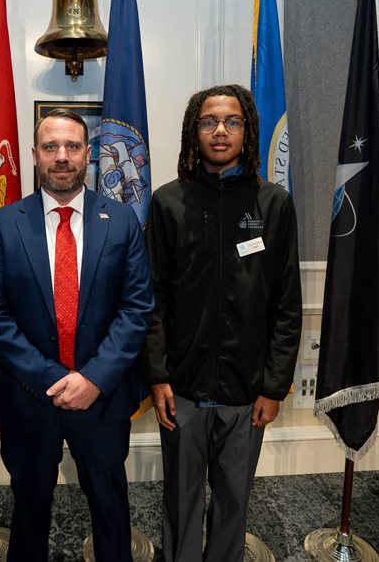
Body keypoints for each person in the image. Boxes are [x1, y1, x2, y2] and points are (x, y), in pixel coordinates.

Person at [0, 108, 154, 561]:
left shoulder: (122, 220)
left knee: (110, 507)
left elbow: (137, 309)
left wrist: (93, 379)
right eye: (50, 147)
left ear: (88, 155)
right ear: (34, 155)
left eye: (72, 146)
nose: (61, 156)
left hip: (103, 396)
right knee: (30, 508)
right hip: (30, 396)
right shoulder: (4, 223)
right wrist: (52, 377)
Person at [141, 85, 302, 562]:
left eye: (232, 122)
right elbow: (152, 299)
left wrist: (273, 387)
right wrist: (157, 376)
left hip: (247, 394)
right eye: (209, 121)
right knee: (181, 502)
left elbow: (286, 304)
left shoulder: (273, 204)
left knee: (234, 503)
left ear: (247, 131)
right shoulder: (168, 202)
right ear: (195, 130)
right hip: (181, 392)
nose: (220, 131)